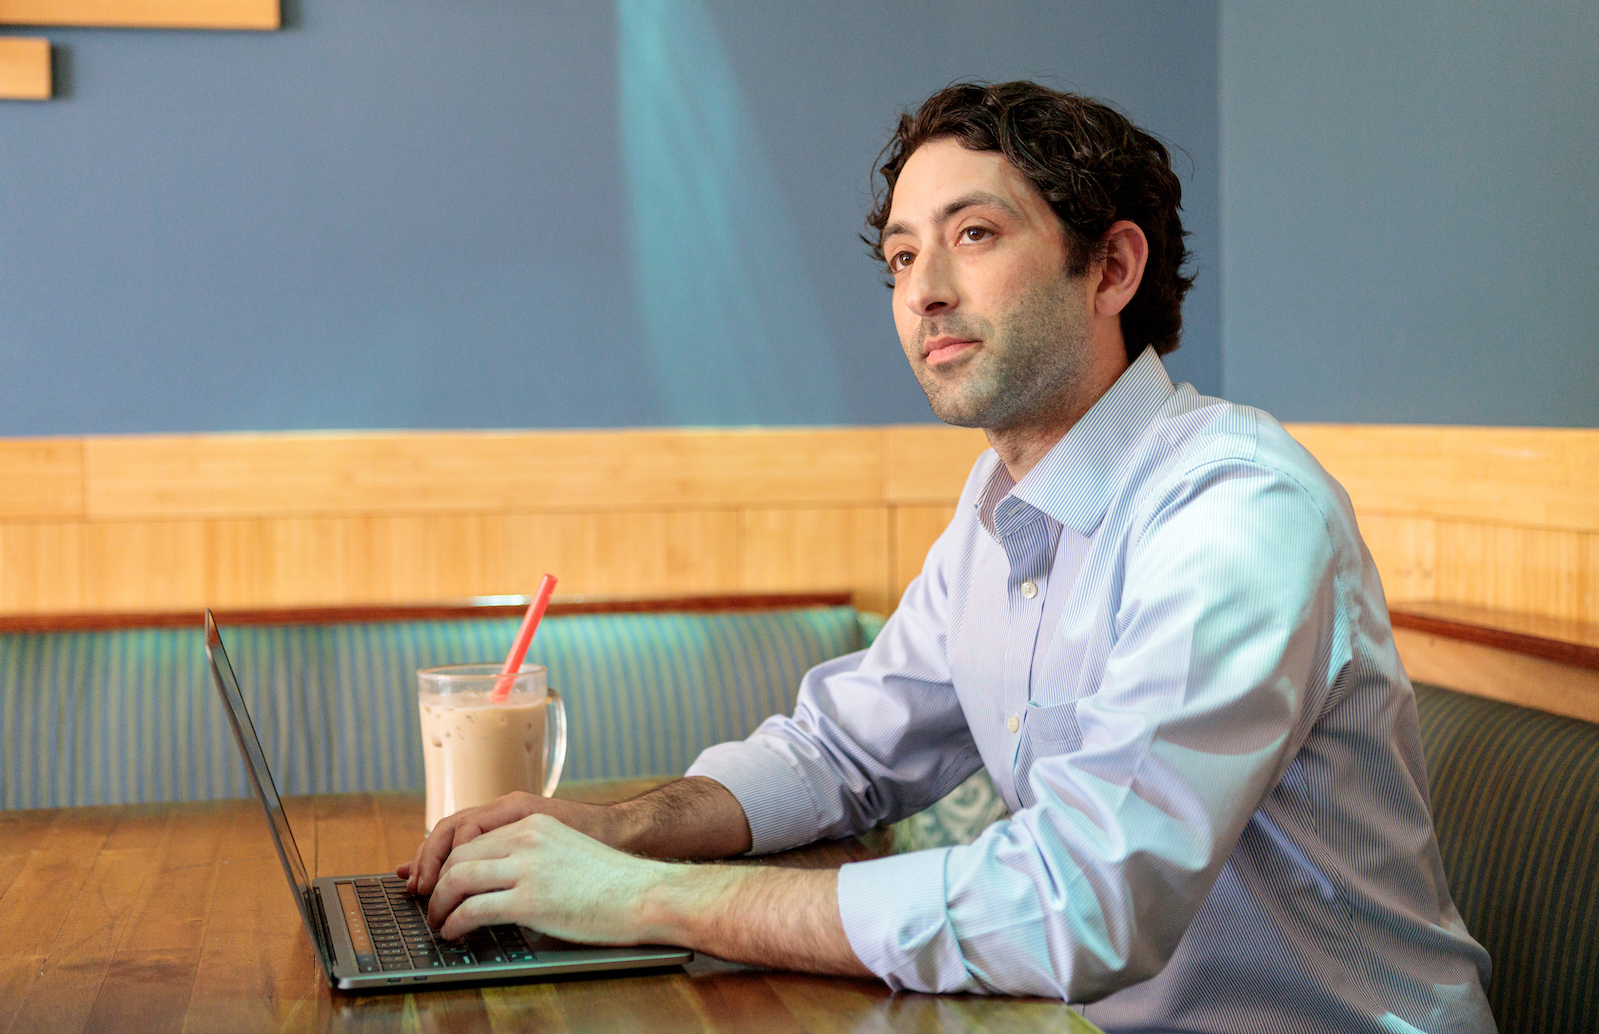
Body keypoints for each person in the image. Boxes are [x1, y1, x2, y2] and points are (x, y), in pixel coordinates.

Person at [400, 81, 1496, 1031]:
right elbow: (841, 753)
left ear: (1111, 266)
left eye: (973, 236)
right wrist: (611, 824)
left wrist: (640, 896)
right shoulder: (998, 501)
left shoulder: (1237, 507)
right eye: (901, 255)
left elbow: (1085, 902)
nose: (923, 291)